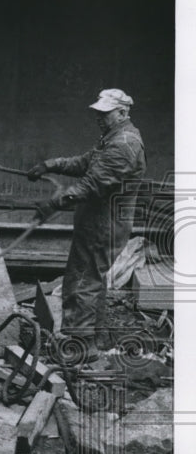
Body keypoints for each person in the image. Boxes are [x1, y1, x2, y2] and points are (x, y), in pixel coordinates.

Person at [27, 88, 146, 359]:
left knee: (82, 280)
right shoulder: (114, 138)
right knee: (91, 278)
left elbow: (93, 184)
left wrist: (54, 204)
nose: (99, 119)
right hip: (99, 222)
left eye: (105, 114)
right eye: (98, 114)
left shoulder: (124, 144)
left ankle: (79, 348)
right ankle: (94, 338)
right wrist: (50, 165)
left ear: (122, 113)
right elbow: (86, 163)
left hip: (104, 225)